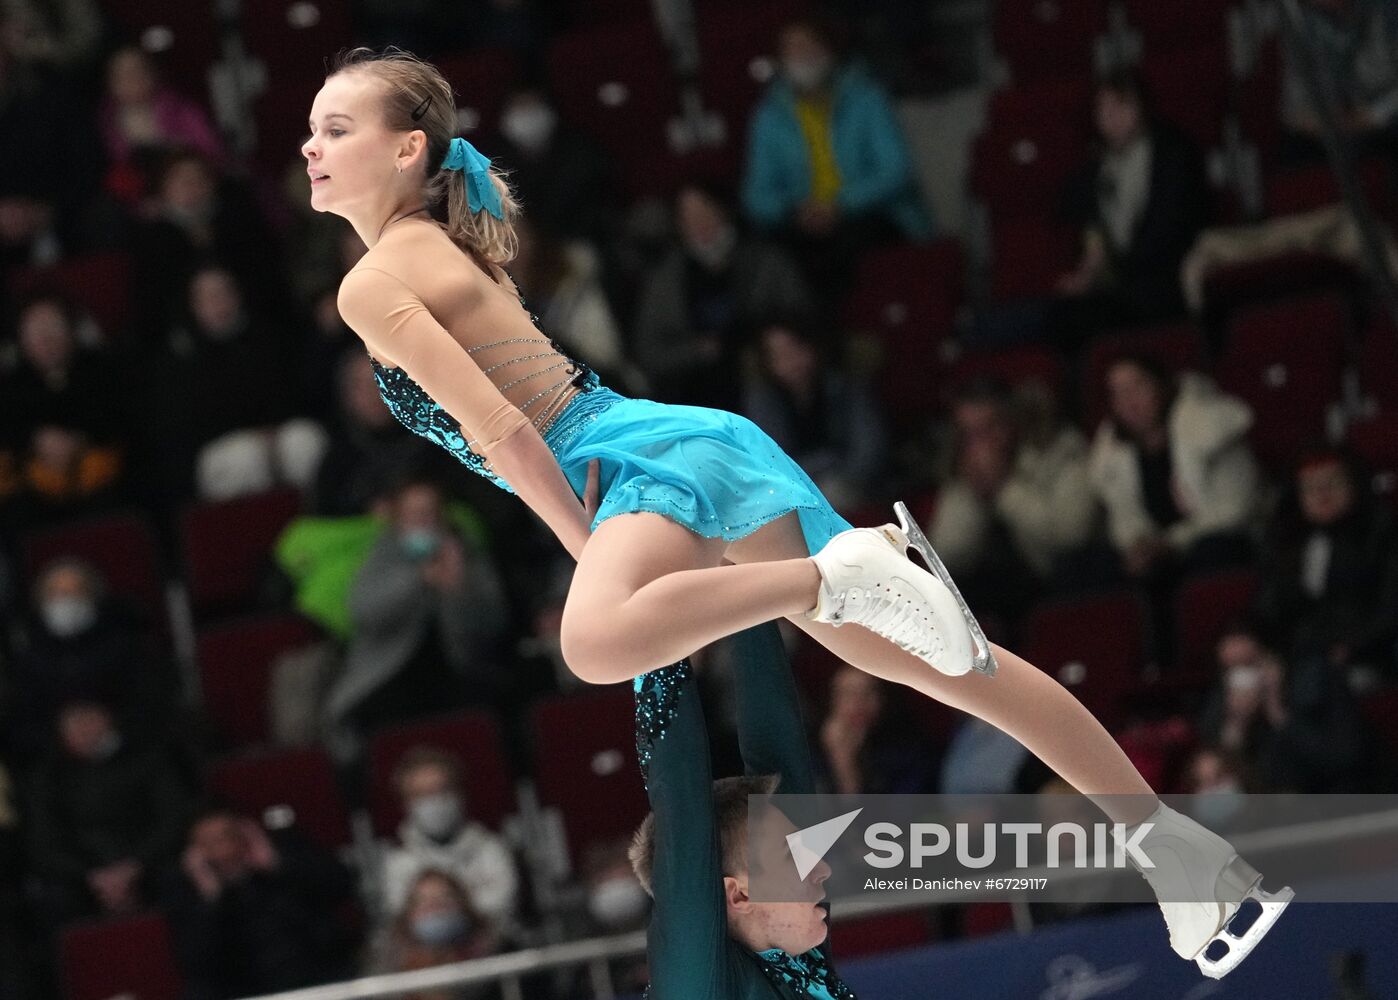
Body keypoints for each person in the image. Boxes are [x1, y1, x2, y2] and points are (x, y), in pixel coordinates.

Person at [307, 46, 1289, 975]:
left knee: (597, 644)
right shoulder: (425, 246)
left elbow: (508, 436)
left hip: (632, 458)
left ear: (408, 149)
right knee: (948, 664)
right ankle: (1182, 856)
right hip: (673, 440)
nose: (311, 145)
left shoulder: (375, 279)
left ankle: (840, 571)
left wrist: (591, 542)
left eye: (336, 126)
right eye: (311, 128)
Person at [627, 623, 852, 997]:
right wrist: (650, 605)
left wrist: (748, 589)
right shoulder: (696, 986)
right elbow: (679, 796)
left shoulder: (794, 960)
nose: (823, 869)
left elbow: (779, 749)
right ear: (738, 896)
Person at [322, 477, 512, 761]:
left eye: (430, 513)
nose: (424, 521)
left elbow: (492, 626)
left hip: (455, 672)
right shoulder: (381, 555)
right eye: (415, 514)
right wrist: (419, 579)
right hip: (387, 677)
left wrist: (457, 590)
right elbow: (364, 614)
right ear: (398, 518)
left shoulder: (464, 552)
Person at [741, 15, 932, 289]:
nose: (802, 55)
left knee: (850, 246)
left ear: (828, 50)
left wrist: (840, 204)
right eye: (792, 49)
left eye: (809, 45)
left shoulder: (867, 98)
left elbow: (896, 170)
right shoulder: (768, 117)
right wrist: (795, 211)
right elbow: (756, 194)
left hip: (868, 214)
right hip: (803, 220)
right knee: (775, 255)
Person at [1054, 71, 1209, 343]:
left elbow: (1172, 226)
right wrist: (1086, 275)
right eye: (1103, 108)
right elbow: (1093, 232)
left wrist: (1132, 269)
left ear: (1141, 107)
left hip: (1168, 273)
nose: (1110, 116)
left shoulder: (1171, 154)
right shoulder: (1094, 172)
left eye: (1120, 105)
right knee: (1067, 316)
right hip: (1122, 285)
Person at [929, 378, 1096, 623]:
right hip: (1008, 592)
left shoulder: (1059, 451)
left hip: (1067, 579)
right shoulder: (965, 467)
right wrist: (973, 492)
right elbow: (946, 554)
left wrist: (1003, 488)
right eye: (968, 434)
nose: (979, 444)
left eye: (986, 429)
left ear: (1011, 422)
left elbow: (1071, 536)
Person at [634, 185, 814, 408]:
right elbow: (650, 352)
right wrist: (697, 351)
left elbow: (802, 319)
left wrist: (759, 349)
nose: (698, 222)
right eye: (688, 216)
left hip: (768, 383)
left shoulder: (766, 261)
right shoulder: (666, 280)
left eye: (705, 210)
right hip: (692, 393)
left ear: (723, 210)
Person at [1089, 357, 1261, 582]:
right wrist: (1138, 542)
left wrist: (1171, 543)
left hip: (1224, 541)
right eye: (1118, 392)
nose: (1129, 400)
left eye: (1137, 386)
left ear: (1162, 386)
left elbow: (1234, 509)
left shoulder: (1210, 429)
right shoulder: (1112, 453)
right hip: (1160, 552)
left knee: (1214, 551)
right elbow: (1124, 515)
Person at [164, 806, 359, 1000]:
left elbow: (341, 885)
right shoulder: (188, 895)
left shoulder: (283, 858)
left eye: (227, 836)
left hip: (320, 981)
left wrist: (275, 864)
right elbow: (197, 965)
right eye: (209, 843)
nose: (223, 850)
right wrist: (212, 899)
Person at [27, 701, 189, 924]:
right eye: (72, 725)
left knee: (180, 877)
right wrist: (92, 875)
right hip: (85, 871)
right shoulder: (51, 776)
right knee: (53, 898)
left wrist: (134, 865)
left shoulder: (146, 757)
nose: (81, 731)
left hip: (148, 858)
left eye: (87, 720)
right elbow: (45, 840)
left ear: (106, 719)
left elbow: (173, 818)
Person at [1252, 446, 1398, 689]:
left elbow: (1390, 607)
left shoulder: (1382, 534)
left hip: (1368, 649)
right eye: (1310, 487)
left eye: (1332, 483)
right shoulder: (1285, 541)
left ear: (1354, 485)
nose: (1322, 494)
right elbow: (1270, 606)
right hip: (1301, 652)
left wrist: (1351, 646)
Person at [1195, 623, 1373, 793]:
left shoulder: (1314, 684)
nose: (1246, 678)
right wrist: (1237, 723)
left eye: (1252, 665)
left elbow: (1342, 758)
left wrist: (1277, 711)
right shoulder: (1221, 704)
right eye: (1235, 671)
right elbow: (1220, 775)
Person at [740, 319, 884, 512]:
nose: (790, 361)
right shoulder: (763, 399)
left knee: (833, 493)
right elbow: (770, 459)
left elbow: (868, 449)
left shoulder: (844, 386)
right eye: (778, 355)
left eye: (795, 349)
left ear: (812, 347)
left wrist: (841, 476)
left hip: (847, 484)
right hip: (789, 490)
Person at [378, 747, 520, 930]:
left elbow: (501, 909)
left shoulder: (491, 850)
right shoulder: (398, 863)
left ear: (459, 794)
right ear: (406, 803)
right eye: (422, 794)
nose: (434, 801)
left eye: (441, 790)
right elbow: (402, 920)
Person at [369, 869, 503, 1000]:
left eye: (445, 897)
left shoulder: (497, 957)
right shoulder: (390, 966)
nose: (434, 907)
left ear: (463, 905)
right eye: (423, 901)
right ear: (409, 915)